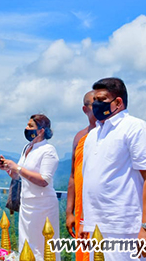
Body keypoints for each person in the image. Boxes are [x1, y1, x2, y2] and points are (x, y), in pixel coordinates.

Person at [81, 78, 146, 261]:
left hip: (127, 228)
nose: (96, 104)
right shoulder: (93, 135)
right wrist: (86, 223)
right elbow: (89, 182)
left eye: (101, 99)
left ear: (118, 102)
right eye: (95, 100)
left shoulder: (136, 129)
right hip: (98, 229)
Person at [0, 114, 60, 261]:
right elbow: (19, 177)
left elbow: (44, 180)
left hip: (42, 205)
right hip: (27, 204)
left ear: (41, 130)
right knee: (27, 245)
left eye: (31, 126)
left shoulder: (48, 150)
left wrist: (17, 168)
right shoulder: (28, 147)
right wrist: (8, 168)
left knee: (44, 247)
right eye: (27, 125)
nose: (26, 128)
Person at [65, 92, 97, 261]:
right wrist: (69, 212)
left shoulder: (112, 134)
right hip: (81, 209)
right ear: (85, 109)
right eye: (94, 104)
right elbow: (72, 176)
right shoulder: (80, 137)